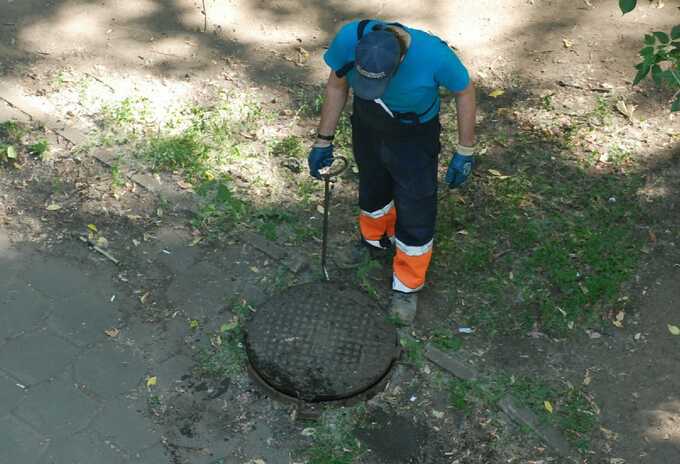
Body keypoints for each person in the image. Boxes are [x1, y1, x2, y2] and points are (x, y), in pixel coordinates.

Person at [308, 19, 477, 323]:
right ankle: (374, 240)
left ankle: (407, 284)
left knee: (416, 204)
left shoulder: (434, 56)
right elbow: (337, 84)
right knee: (372, 187)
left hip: (414, 135)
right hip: (368, 123)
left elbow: (464, 91)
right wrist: (324, 139)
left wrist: (465, 149)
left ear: (399, 61)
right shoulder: (351, 38)